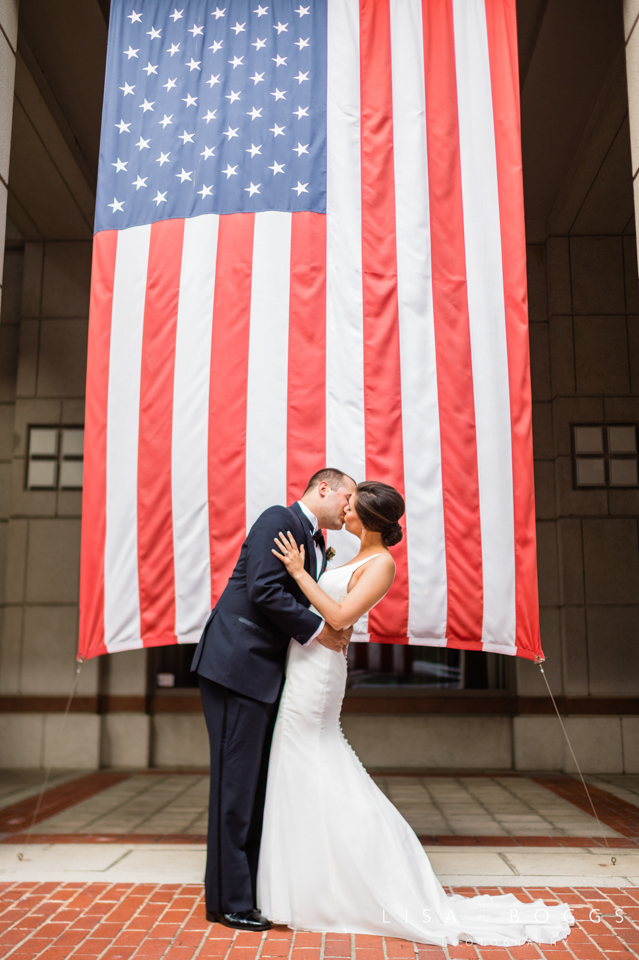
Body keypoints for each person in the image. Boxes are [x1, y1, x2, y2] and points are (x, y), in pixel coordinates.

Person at [257, 480, 574, 948]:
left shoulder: (381, 564)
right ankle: (308, 880)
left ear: (365, 517)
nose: (343, 508)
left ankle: (370, 869)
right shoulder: (346, 558)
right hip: (304, 665)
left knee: (316, 758)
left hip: (321, 673)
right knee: (298, 764)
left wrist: (300, 574)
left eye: (351, 505)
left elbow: (341, 617)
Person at [191, 468, 357, 933]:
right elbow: (263, 590)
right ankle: (228, 902)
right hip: (236, 668)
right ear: (323, 488)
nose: (349, 508)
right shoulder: (278, 519)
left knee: (253, 788)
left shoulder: (313, 538)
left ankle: (246, 891)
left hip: (263, 675)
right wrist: (321, 632)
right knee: (235, 788)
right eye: (346, 497)